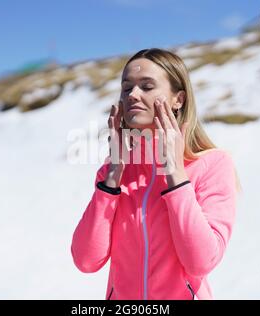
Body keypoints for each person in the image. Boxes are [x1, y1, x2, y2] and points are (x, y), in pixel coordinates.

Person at [71, 48, 241, 300]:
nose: (133, 95)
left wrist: (174, 173)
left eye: (147, 86)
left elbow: (201, 261)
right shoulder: (113, 172)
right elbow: (86, 260)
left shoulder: (213, 164)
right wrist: (112, 179)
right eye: (126, 87)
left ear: (178, 99)